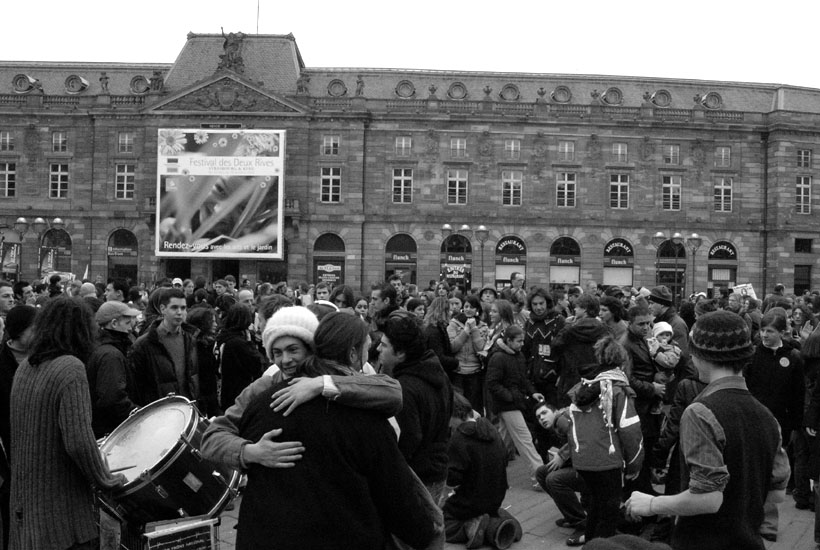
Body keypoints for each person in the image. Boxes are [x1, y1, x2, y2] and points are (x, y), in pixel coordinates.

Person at [229, 312, 440, 550]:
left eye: (292, 350)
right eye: (367, 350)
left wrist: (246, 452)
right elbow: (396, 494)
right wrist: (423, 534)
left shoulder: (261, 403)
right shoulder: (365, 416)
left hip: (264, 537)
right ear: (352, 353)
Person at [626, 310, 790, 550]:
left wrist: (652, 503)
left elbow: (708, 498)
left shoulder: (700, 412)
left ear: (700, 356)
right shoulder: (768, 417)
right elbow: (777, 494)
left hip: (704, 541)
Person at [9, 297, 125, 550]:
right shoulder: (70, 368)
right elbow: (79, 442)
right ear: (81, 330)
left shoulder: (25, 367)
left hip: (25, 508)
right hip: (61, 516)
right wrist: (105, 480)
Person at [379, 309, 453, 549]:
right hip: (437, 468)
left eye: (384, 345)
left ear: (400, 353)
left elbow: (408, 439)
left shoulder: (406, 388)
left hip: (419, 476)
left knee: (413, 540)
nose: (379, 350)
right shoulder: (436, 372)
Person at [566, 335, 643, 544]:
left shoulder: (583, 385)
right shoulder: (618, 389)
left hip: (582, 458)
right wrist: (635, 463)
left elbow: (568, 421)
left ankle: (591, 544)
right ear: (622, 361)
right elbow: (630, 430)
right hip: (607, 459)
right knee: (609, 513)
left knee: (595, 508)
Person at [743, 306, 805, 540]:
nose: (764, 335)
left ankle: (768, 523)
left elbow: (798, 395)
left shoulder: (793, 357)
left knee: (773, 474)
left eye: (770, 331)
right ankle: (748, 519)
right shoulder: (752, 355)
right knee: (751, 472)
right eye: (762, 330)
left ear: (782, 332)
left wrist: (796, 426)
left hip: (781, 424)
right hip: (753, 421)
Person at [443, 392, 521, 550]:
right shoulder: (491, 429)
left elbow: (453, 479)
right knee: (483, 505)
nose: (448, 424)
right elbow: (504, 459)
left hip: (470, 502)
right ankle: (497, 520)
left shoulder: (459, 438)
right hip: (496, 498)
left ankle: (473, 525)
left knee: (440, 523)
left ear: (454, 415)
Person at [485, 325, 544, 483]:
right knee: (525, 439)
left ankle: (488, 469)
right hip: (508, 404)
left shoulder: (517, 355)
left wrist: (532, 392)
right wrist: (510, 397)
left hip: (511, 401)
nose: (521, 344)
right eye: (519, 341)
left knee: (504, 440)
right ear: (509, 341)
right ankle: (539, 476)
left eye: (522, 341)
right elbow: (493, 383)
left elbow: (523, 379)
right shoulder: (498, 358)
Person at [0, 306, 36, 550]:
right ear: (19, 331)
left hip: (38, 449)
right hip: (9, 454)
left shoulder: (42, 359)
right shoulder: (2, 361)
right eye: (35, 327)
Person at [129, 288, 199, 405]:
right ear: (162, 309)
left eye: (183, 308)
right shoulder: (144, 344)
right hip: (159, 413)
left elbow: (193, 377)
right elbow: (137, 387)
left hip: (187, 410)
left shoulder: (190, 339)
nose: (179, 312)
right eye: (174, 307)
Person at [85, 301, 141, 438]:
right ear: (114, 323)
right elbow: (113, 398)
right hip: (111, 431)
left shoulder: (99, 346)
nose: (130, 329)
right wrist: (140, 416)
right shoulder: (110, 355)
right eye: (127, 323)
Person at [216, 303, 266, 412]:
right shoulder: (239, 343)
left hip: (224, 389)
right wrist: (250, 343)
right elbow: (257, 365)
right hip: (238, 391)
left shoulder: (222, 336)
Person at [522, 288, 565, 406]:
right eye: (534, 304)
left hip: (552, 377)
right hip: (532, 376)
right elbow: (525, 349)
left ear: (547, 302)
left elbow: (564, 350)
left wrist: (561, 375)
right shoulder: (529, 322)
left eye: (541, 303)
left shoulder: (558, 320)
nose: (538, 307)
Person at [447, 295, 488, 413]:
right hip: (458, 371)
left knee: (474, 407)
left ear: (477, 310)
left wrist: (474, 329)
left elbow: (481, 349)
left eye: (472, 307)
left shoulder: (483, 326)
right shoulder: (454, 324)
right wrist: (465, 331)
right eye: (466, 306)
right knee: (458, 407)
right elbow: (453, 347)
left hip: (475, 372)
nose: (468, 309)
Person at [186, 306, 221, 417]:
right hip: (203, 397)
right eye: (212, 322)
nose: (215, 325)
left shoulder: (208, 344)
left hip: (209, 394)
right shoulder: (196, 347)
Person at [423, 297, 459, 381]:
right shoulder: (435, 331)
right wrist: (456, 362)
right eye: (449, 311)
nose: (451, 313)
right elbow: (438, 357)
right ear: (443, 312)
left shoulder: (434, 328)